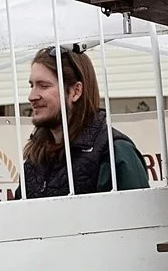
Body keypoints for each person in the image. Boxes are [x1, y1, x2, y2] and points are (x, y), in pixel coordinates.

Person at [21, 46, 151, 199]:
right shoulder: (35, 158)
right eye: (32, 85)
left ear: (76, 91)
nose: (32, 96)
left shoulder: (114, 153)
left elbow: (137, 212)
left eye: (43, 86)